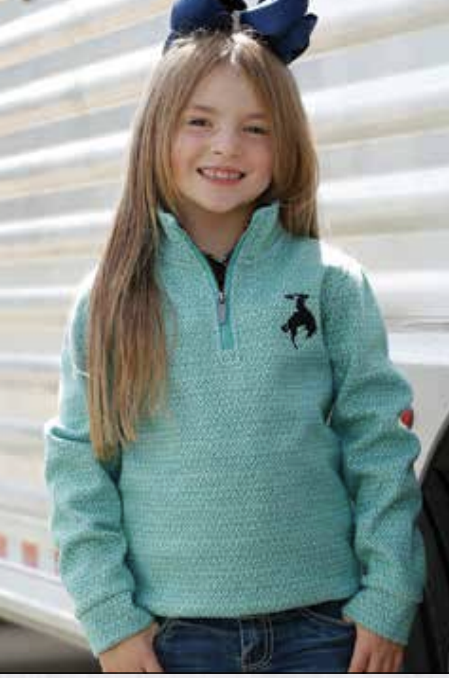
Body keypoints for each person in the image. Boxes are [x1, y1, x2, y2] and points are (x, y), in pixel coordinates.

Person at [43, 0, 426, 673]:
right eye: (200, 121)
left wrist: (389, 593)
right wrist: (110, 619)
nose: (226, 146)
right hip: (173, 638)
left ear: (288, 144)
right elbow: (80, 470)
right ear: (157, 131)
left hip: (324, 630)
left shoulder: (331, 283)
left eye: (256, 128)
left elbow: (379, 446)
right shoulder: (111, 297)